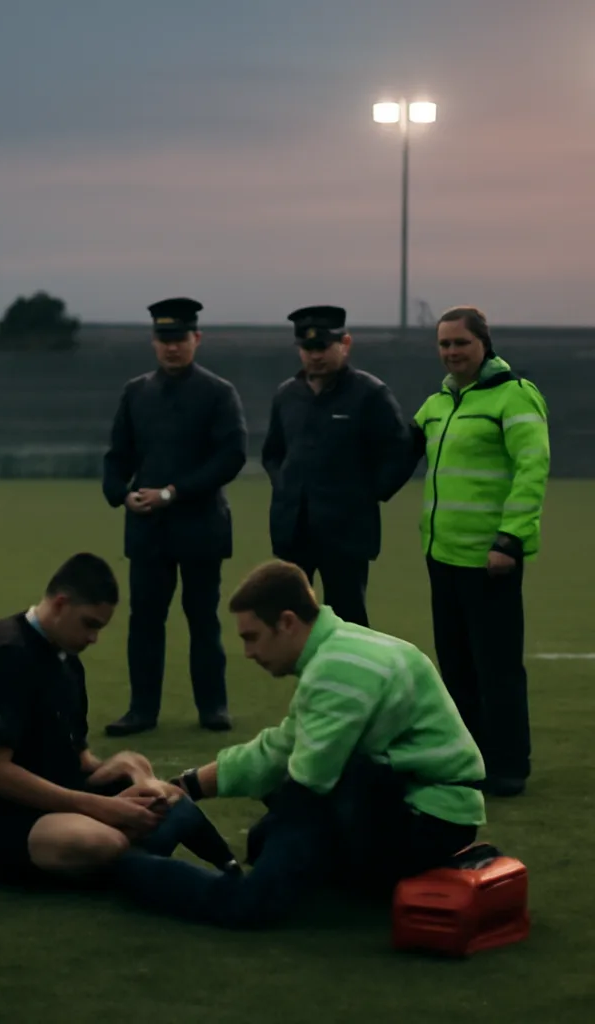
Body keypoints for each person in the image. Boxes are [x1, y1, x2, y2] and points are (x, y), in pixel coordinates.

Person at [110, 559, 487, 930]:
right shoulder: (343, 648)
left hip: (425, 819)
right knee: (267, 839)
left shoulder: (337, 667)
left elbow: (308, 785)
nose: (248, 652)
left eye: (252, 636)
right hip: (420, 805)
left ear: (287, 622)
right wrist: (186, 787)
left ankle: (118, 866)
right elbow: (281, 746)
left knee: (253, 897)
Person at [0, 553, 240, 886]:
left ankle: (230, 866)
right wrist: (97, 806)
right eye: (90, 624)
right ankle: (159, 874)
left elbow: (75, 756)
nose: (94, 638)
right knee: (99, 841)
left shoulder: (66, 659)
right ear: (61, 604)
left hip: (53, 801)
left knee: (160, 796)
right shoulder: (5, 654)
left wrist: (118, 769)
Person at [407, 306, 550, 798]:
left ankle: (510, 766)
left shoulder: (515, 397)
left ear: (483, 345)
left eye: (460, 344)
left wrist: (509, 540)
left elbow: (533, 469)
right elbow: (392, 458)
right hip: (441, 556)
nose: (451, 353)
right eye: (444, 345)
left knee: (499, 669)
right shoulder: (437, 404)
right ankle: (470, 760)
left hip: (490, 561)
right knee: (457, 669)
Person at [102, 297, 248, 736]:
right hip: (148, 529)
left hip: (200, 526)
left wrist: (172, 492)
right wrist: (121, 495)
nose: (172, 348)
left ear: (196, 339)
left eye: (180, 339)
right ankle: (141, 710)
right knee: (145, 621)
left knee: (203, 618)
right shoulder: (136, 393)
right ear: (154, 342)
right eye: (164, 340)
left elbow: (232, 457)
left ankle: (213, 708)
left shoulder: (218, 393)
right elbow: (118, 455)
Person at [260, 305, 412, 627]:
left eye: (323, 347)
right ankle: (308, 678)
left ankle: (353, 677)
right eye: (308, 348)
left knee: (348, 618)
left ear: (345, 343)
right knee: (292, 618)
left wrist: (367, 493)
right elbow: (272, 453)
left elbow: (398, 453)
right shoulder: (287, 395)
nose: (315, 356)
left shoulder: (370, 395)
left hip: (346, 533)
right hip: (293, 529)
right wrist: (286, 484)